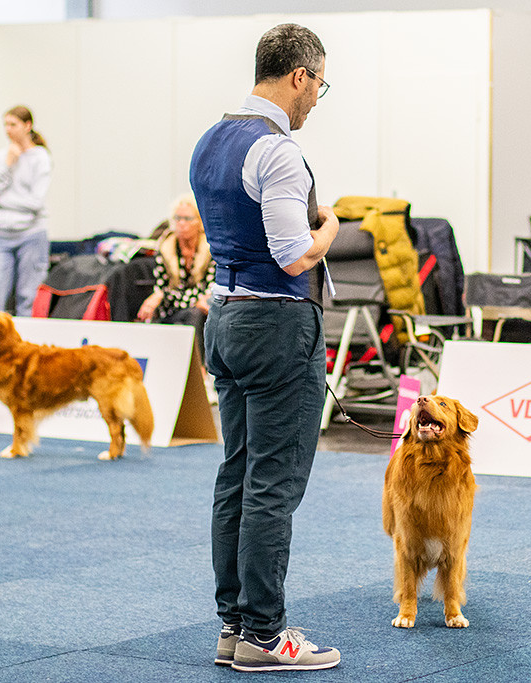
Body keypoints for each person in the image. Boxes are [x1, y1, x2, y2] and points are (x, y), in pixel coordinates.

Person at [189, 23, 341, 673]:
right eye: (319, 86)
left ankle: (234, 624)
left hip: (223, 315)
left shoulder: (208, 142)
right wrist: (329, 224)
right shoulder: (277, 152)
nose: (315, 101)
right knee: (272, 484)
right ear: (298, 77)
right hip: (276, 326)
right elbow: (292, 253)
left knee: (238, 475)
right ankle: (264, 633)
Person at [0, 105, 52, 317]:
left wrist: (3, 199)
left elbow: (36, 202)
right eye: (6, 125)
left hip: (32, 235)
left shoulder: (41, 158)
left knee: (27, 298)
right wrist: (7, 165)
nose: (8, 130)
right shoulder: (2, 157)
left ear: (27, 126)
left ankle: (24, 348)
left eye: (13, 124)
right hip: (3, 237)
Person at [136, 193, 214, 366]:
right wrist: (164, 296)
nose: (182, 224)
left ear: (199, 222)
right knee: (192, 313)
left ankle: (200, 371)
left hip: (203, 314)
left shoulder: (210, 251)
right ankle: (194, 369)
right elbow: (164, 292)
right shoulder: (164, 250)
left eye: (187, 218)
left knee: (197, 315)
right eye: (178, 218)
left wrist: (163, 295)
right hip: (171, 313)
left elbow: (208, 292)